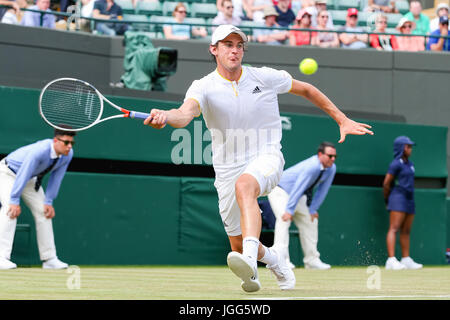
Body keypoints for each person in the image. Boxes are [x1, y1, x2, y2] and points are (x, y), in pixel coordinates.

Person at [143, 24, 373, 292]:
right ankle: (274, 260)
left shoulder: (264, 77)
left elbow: (307, 89)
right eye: (228, 45)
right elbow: (184, 114)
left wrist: (341, 119)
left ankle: (250, 262)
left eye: (239, 45)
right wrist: (165, 117)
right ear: (214, 49)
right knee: (237, 245)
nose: (235, 50)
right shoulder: (202, 87)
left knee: (246, 187)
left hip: (267, 156)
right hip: (227, 168)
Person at [0, 128, 75, 270]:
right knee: (10, 210)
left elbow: (56, 178)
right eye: (66, 142)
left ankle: (49, 259)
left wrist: (49, 201)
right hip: (8, 173)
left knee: (44, 212)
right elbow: (24, 172)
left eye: (72, 143)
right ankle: (1, 257)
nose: (69, 146)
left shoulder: (68, 154)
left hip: (28, 179)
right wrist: (14, 200)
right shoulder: (40, 150)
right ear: (55, 140)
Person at [268, 142, 336, 270]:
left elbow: (323, 190)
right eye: (330, 156)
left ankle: (312, 260)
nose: (332, 159)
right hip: (280, 190)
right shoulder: (312, 166)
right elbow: (299, 187)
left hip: (296, 195)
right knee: (284, 219)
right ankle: (281, 259)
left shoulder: (331, 168)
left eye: (334, 156)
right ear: (320, 154)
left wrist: (313, 209)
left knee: (311, 220)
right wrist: (289, 210)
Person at [383, 136, 423, 270]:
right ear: (401, 147)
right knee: (394, 228)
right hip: (398, 198)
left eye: (411, 146)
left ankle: (406, 259)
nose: (410, 149)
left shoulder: (410, 164)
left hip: (410, 199)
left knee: (406, 230)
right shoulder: (395, 164)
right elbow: (386, 183)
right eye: (408, 146)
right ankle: (391, 260)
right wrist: (388, 199)